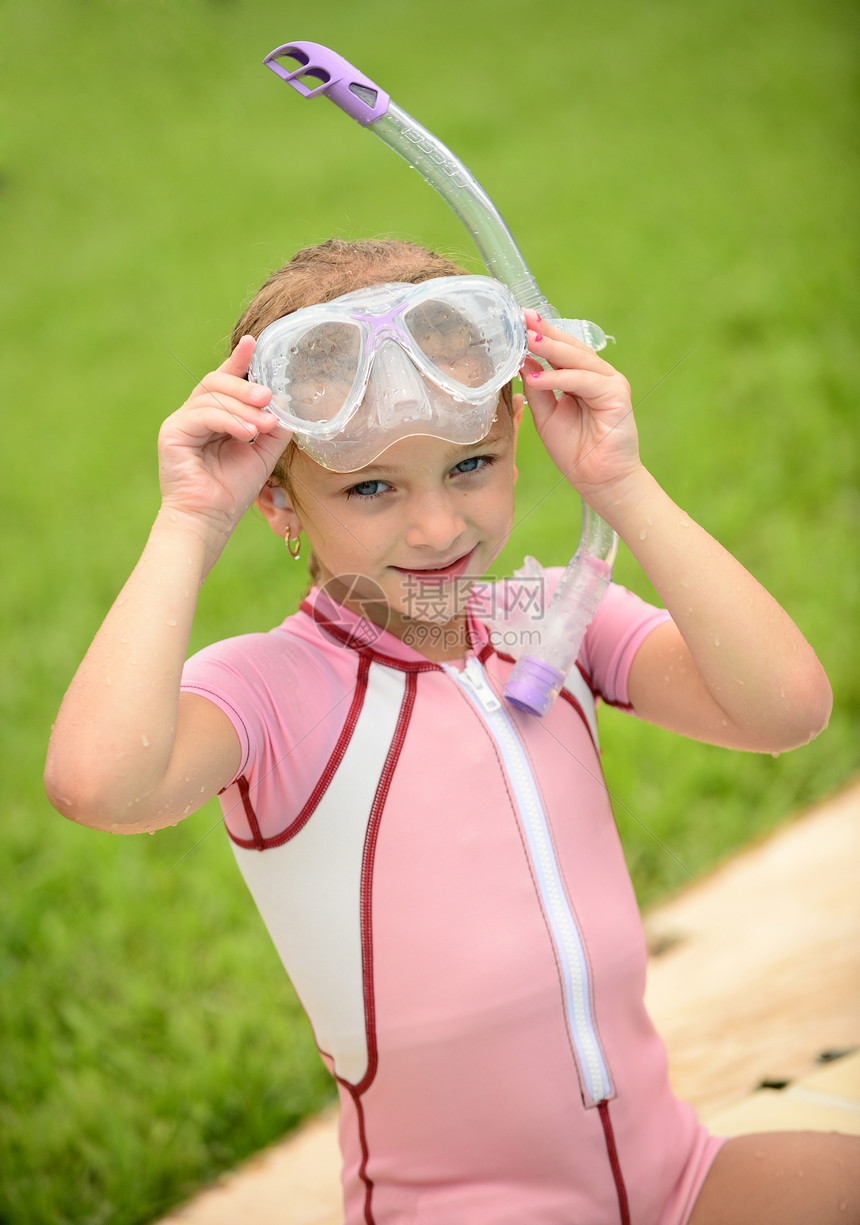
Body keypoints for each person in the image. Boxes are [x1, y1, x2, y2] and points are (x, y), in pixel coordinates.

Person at [45, 238, 858, 1225]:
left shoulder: (550, 618)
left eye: (470, 465)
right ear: (276, 498)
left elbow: (784, 708)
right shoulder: (273, 688)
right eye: (371, 488)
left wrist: (620, 483)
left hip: (669, 1178)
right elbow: (98, 784)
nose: (437, 529)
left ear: (518, 435)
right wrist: (187, 520)